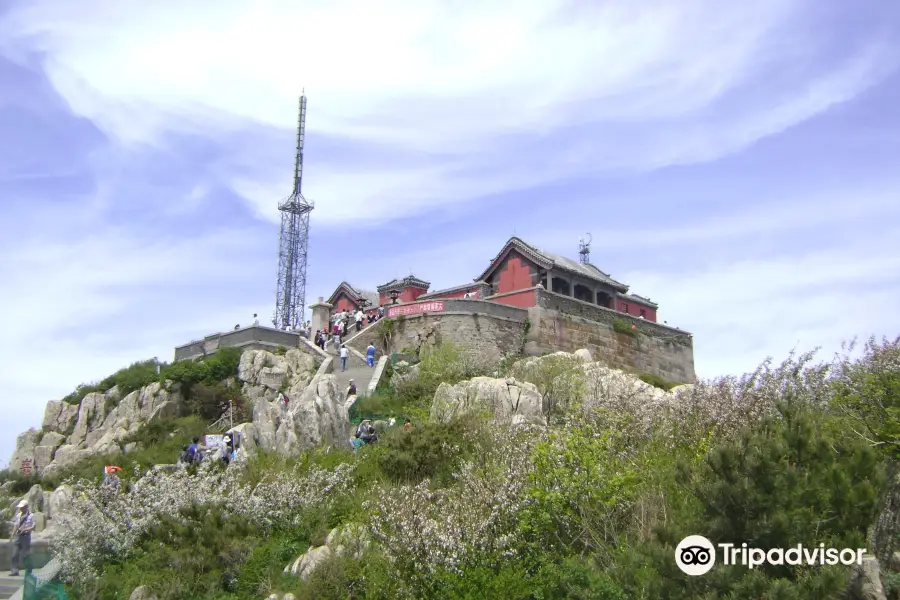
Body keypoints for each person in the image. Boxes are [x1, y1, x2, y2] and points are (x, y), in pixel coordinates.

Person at [9, 500, 35, 576]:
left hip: (26, 537)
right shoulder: (18, 515)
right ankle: (14, 571)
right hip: (18, 536)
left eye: (22, 507)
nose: (21, 509)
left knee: (26, 555)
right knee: (14, 554)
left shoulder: (31, 516)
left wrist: (26, 529)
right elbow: (16, 525)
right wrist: (12, 535)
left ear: (26, 507)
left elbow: (33, 527)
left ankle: (29, 570)